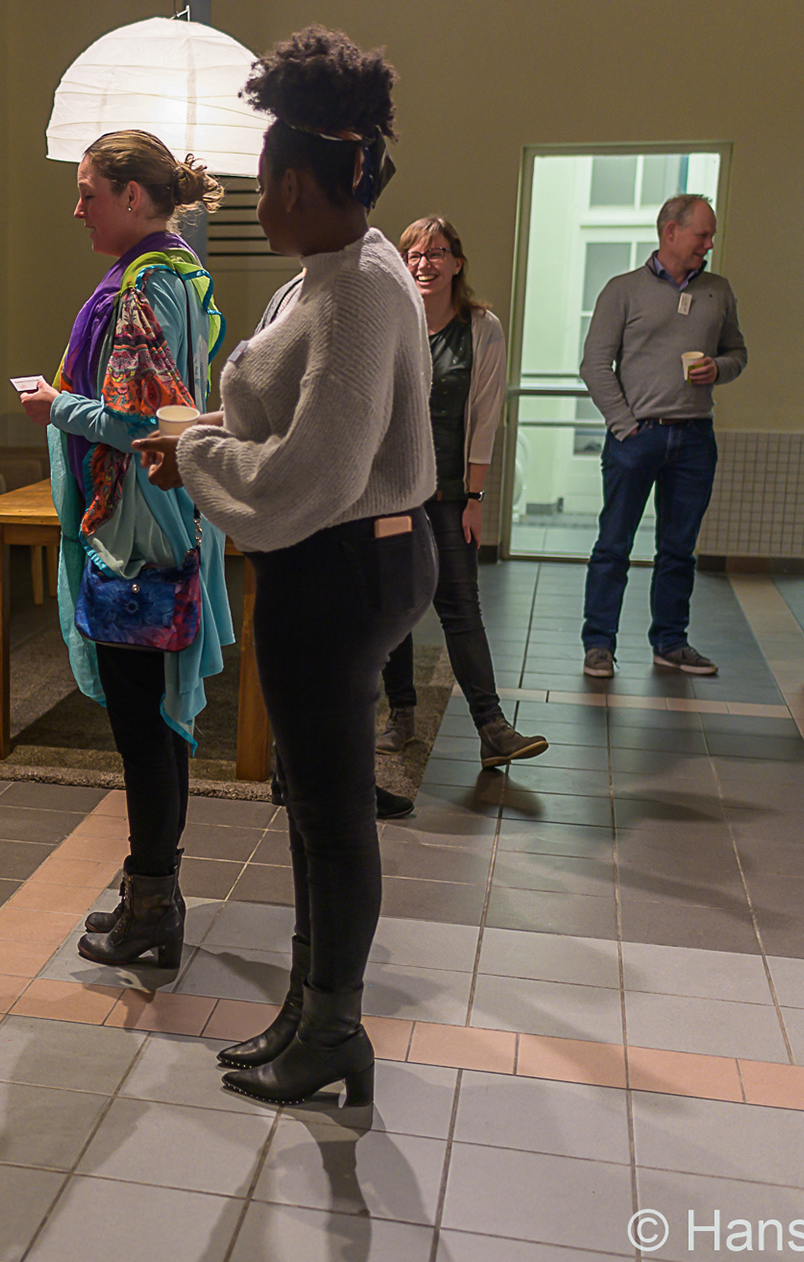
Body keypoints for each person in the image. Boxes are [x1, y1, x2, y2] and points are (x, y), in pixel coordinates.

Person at [136, 26, 436, 1107]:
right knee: (311, 801)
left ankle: (335, 1027)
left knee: (330, 813)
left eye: (262, 182)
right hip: (349, 556)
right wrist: (206, 438)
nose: (252, 201)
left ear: (299, 184)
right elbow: (287, 433)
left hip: (341, 566)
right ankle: (312, 1011)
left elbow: (312, 474)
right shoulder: (340, 268)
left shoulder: (355, 293)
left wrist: (195, 453)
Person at [18, 130, 234, 968]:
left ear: (133, 197)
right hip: (172, 518)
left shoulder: (141, 289)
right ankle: (154, 894)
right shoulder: (181, 274)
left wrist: (55, 406)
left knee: (144, 732)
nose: (78, 210)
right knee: (160, 727)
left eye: (89, 193)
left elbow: (138, 421)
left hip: (137, 530)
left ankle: (151, 908)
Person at [379, 216, 547, 766]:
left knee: (461, 607)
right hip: (393, 492)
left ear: (456, 262)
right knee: (396, 608)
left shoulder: (481, 327)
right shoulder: (391, 320)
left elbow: (485, 418)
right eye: (414, 254)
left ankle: (492, 727)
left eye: (436, 253)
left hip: (451, 494)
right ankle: (400, 716)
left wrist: (475, 499)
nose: (424, 264)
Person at [578, 193, 747, 679]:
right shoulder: (623, 290)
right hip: (636, 438)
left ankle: (670, 643)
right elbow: (594, 365)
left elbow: (738, 353)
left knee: (679, 550)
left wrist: (719, 368)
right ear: (670, 231)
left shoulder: (718, 290)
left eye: (710, 236)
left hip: (695, 438)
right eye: (702, 235)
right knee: (614, 545)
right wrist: (625, 426)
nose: (708, 245)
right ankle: (599, 644)